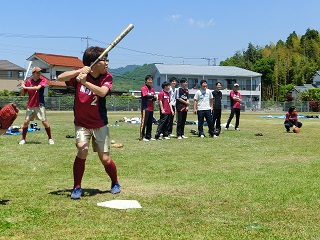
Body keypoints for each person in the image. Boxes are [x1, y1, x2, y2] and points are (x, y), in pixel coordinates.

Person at [57, 46, 120, 199]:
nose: (107, 63)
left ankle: (115, 182)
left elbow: (102, 92)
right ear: (93, 63)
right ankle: (77, 187)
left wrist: (85, 83)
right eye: (104, 60)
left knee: (104, 159)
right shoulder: (81, 74)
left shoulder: (107, 77)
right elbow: (60, 78)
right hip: (81, 123)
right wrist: (79, 72)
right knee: (82, 150)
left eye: (107, 60)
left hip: (100, 123)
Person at [19, 66, 54, 145]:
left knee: (44, 122)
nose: (39, 74)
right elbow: (22, 93)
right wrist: (22, 86)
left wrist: (25, 87)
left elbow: (37, 88)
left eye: (39, 72)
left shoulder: (43, 80)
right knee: (26, 122)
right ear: (33, 73)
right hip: (30, 105)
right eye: (37, 72)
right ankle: (23, 139)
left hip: (39, 104)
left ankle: (50, 139)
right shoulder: (28, 82)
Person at [140, 75, 157, 141]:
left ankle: (148, 136)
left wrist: (152, 98)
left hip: (151, 108)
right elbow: (146, 96)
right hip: (145, 108)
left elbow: (155, 98)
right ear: (146, 81)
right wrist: (152, 98)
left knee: (150, 122)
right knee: (144, 122)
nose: (150, 81)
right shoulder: (144, 88)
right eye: (149, 80)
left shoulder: (152, 89)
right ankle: (142, 136)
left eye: (151, 80)